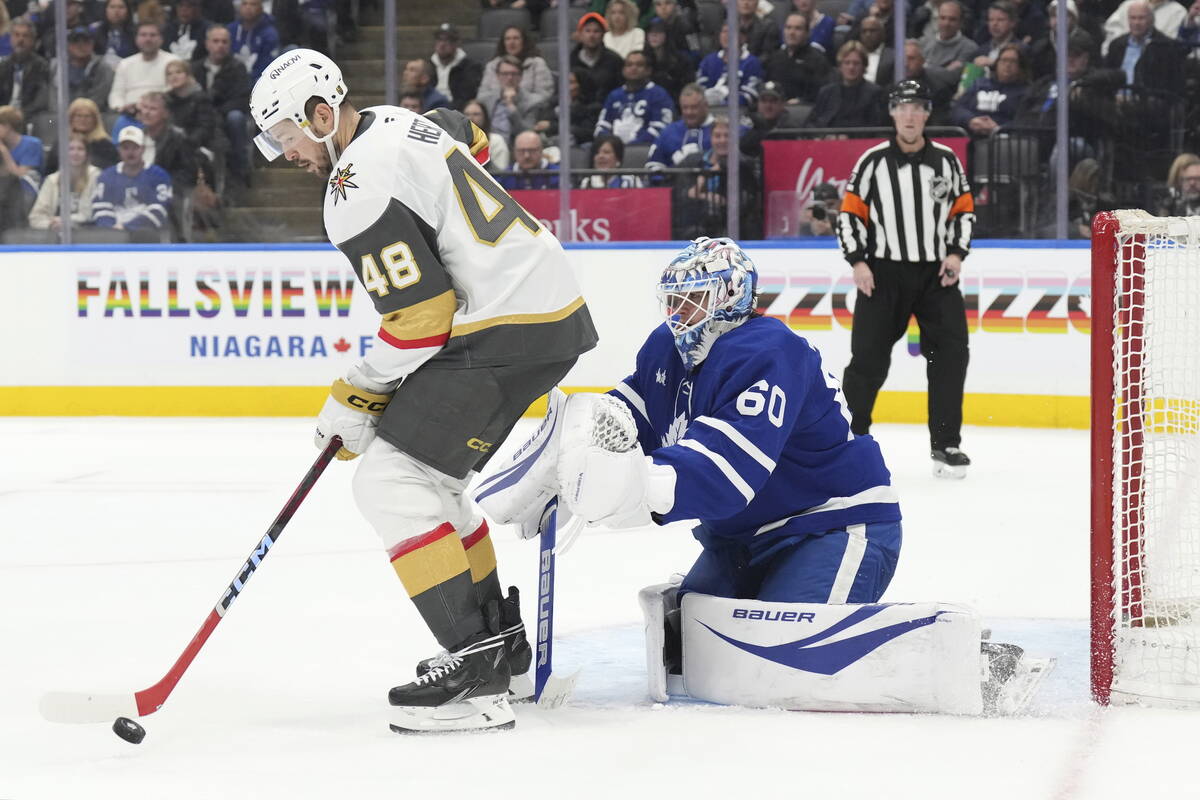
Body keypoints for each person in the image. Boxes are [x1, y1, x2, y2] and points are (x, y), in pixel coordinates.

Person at [248, 48, 597, 733]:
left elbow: (420, 318)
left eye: (290, 136)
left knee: (388, 482)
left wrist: (356, 392)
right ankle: (504, 652)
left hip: (505, 325)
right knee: (429, 482)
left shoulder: (353, 188)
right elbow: (473, 136)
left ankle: (473, 673)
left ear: (322, 116)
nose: (288, 153)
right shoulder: (393, 119)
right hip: (543, 311)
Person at [837, 81, 975, 478]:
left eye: (917, 107)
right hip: (882, 276)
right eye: (903, 107)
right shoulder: (872, 161)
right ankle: (848, 441)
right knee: (867, 360)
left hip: (937, 276)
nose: (910, 115)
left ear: (927, 113)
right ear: (892, 113)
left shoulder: (947, 161)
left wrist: (955, 254)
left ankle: (946, 443)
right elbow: (850, 215)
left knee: (950, 355)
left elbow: (963, 211)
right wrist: (858, 262)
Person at [193, 24, 250, 187]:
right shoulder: (195, 68)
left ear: (230, 44)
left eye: (224, 42)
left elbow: (242, 98)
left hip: (226, 114)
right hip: (200, 116)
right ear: (207, 44)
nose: (220, 45)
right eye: (216, 41)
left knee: (236, 118)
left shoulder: (238, 67)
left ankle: (240, 170)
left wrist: (217, 112)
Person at [91, 125, 173, 236]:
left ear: (143, 149)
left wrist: (127, 227)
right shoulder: (106, 177)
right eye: (125, 148)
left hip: (149, 239)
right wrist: (112, 230)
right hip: (113, 237)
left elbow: (159, 210)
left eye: (135, 147)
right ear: (118, 150)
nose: (130, 152)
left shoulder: (158, 175)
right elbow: (101, 208)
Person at [594, 50, 675, 145]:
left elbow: (661, 128)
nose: (633, 68)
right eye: (629, 65)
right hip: (614, 150)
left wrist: (632, 147)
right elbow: (602, 125)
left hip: (644, 149)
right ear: (623, 70)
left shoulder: (658, 94)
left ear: (648, 70)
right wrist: (611, 145)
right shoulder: (614, 95)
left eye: (639, 65)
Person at [951, 42, 1029, 138]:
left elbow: (1025, 120)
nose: (1007, 65)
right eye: (1004, 60)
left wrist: (998, 128)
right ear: (996, 63)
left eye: (1013, 61)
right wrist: (971, 120)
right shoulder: (979, 84)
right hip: (970, 136)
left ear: (1021, 67)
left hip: (1004, 141)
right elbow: (958, 108)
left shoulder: (1026, 91)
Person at [805, 41, 887, 129]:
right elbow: (810, 124)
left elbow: (876, 127)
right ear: (840, 66)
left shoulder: (875, 93)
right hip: (827, 140)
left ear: (864, 66)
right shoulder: (826, 92)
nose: (851, 67)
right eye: (847, 63)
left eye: (856, 63)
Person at [29, 132, 101, 231]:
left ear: (87, 153)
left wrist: (63, 220)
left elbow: (90, 214)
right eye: (70, 149)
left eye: (80, 149)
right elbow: (35, 217)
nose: (75, 153)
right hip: (54, 234)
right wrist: (50, 225)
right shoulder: (52, 180)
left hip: (86, 233)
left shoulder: (96, 176)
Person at [477, 25, 555, 113]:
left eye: (516, 38)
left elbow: (545, 96)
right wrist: (501, 97)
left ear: (524, 41)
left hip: (528, 112)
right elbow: (481, 97)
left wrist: (517, 100)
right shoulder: (492, 65)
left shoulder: (537, 64)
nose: (511, 42)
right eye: (507, 39)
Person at [764, 12, 831, 105]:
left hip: (803, 111)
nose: (792, 32)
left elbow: (822, 93)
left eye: (798, 28)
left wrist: (801, 101)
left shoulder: (817, 60)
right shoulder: (776, 58)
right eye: (788, 28)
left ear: (807, 33)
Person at [108, 21, 170, 119]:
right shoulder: (125, 64)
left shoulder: (172, 62)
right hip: (129, 116)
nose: (148, 39)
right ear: (136, 39)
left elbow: (173, 94)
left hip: (160, 116)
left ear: (161, 39)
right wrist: (121, 107)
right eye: (143, 35)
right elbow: (116, 94)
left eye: (152, 35)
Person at [44, 96, 119, 174]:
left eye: (87, 116)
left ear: (95, 119)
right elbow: (50, 172)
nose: (83, 120)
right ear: (71, 118)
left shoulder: (106, 145)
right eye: (79, 116)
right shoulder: (62, 142)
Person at [646, 82, 712, 169]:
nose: (689, 112)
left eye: (694, 107)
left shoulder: (720, 132)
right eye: (685, 108)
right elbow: (653, 166)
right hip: (673, 182)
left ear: (706, 106)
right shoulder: (668, 132)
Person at [697, 22, 764, 107]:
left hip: (737, 113)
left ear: (743, 38)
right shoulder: (708, 61)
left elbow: (750, 94)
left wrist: (723, 101)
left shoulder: (752, 63)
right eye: (724, 31)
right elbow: (699, 88)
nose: (727, 36)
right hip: (707, 110)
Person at [50, 25, 115, 110]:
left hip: (90, 115)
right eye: (76, 41)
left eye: (85, 41)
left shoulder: (102, 68)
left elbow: (99, 98)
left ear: (92, 44)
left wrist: (78, 112)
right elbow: (54, 97)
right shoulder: (57, 67)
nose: (80, 45)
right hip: (61, 115)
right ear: (69, 45)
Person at [0, 19, 51, 122]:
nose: (20, 39)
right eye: (16, 35)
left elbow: (41, 100)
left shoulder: (42, 66)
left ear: (33, 40)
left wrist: (22, 114)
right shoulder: (3, 65)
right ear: (10, 39)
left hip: (30, 117)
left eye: (25, 35)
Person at [570, 11, 624, 101]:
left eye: (596, 31)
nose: (591, 35)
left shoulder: (614, 60)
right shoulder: (571, 59)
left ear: (603, 35)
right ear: (580, 34)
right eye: (587, 31)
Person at [430, 22, 482, 111]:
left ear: (456, 43)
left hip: (456, 113)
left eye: (447, 40)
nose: (442, 44)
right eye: (439, 39)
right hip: (429, 110)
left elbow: (466, 98)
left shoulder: (470, 67)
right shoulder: (429, 66)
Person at [643, 15, 695, 99]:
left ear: (666, 35)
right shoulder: (642, 60)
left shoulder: (681, 60)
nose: (654, 35)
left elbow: (688, 86)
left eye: (659, 31)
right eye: (650, 32)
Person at [229, 0, 280, 81]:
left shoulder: (269, 34)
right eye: (244, 4)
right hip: (232, 79)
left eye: (253, 4)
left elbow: (268, 65)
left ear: (261, 8)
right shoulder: (231, 29)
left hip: (258, 80)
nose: (248, 7)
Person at [921, 0, 977, 72]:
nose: (946, 23)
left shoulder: (969, 48)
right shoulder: (924, 44)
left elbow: (951, 77)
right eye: (942, 18)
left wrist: (925, 68)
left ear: (961, 22)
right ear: (937, 19)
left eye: (952, 19)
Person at [580, 132, 644, 187]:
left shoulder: (631, 181)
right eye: (597, 153)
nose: (600, 156)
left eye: (606, 152)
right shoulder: (587, 182)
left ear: (618, 159)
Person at [462, 98, 510, 172]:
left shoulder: (497, 140)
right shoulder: (455, 141)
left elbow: (501, 172)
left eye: (476, 114)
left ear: (485, 117)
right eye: (467, 114)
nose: (470, 118)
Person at [90, 0, 137, 67]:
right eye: (112, 7)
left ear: (128, 11)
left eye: (121, 7)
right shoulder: (95, 30)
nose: (116, 11)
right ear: (105, 10)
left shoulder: (136, 32)